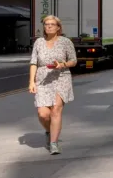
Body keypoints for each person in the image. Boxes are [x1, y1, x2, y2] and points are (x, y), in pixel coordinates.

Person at [28, 15, 77, 155]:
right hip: (42, 79)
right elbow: (33, 62)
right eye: (46, 24)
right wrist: (31, 82)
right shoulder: (38, 42)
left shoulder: (66, 42)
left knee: (56, 110)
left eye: (52, 24)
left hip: (61, 77)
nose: (48, 26)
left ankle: (54, 143)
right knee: (43, 114)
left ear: (58, 27)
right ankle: (49, 131)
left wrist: (62, 64)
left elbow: (73, 61)